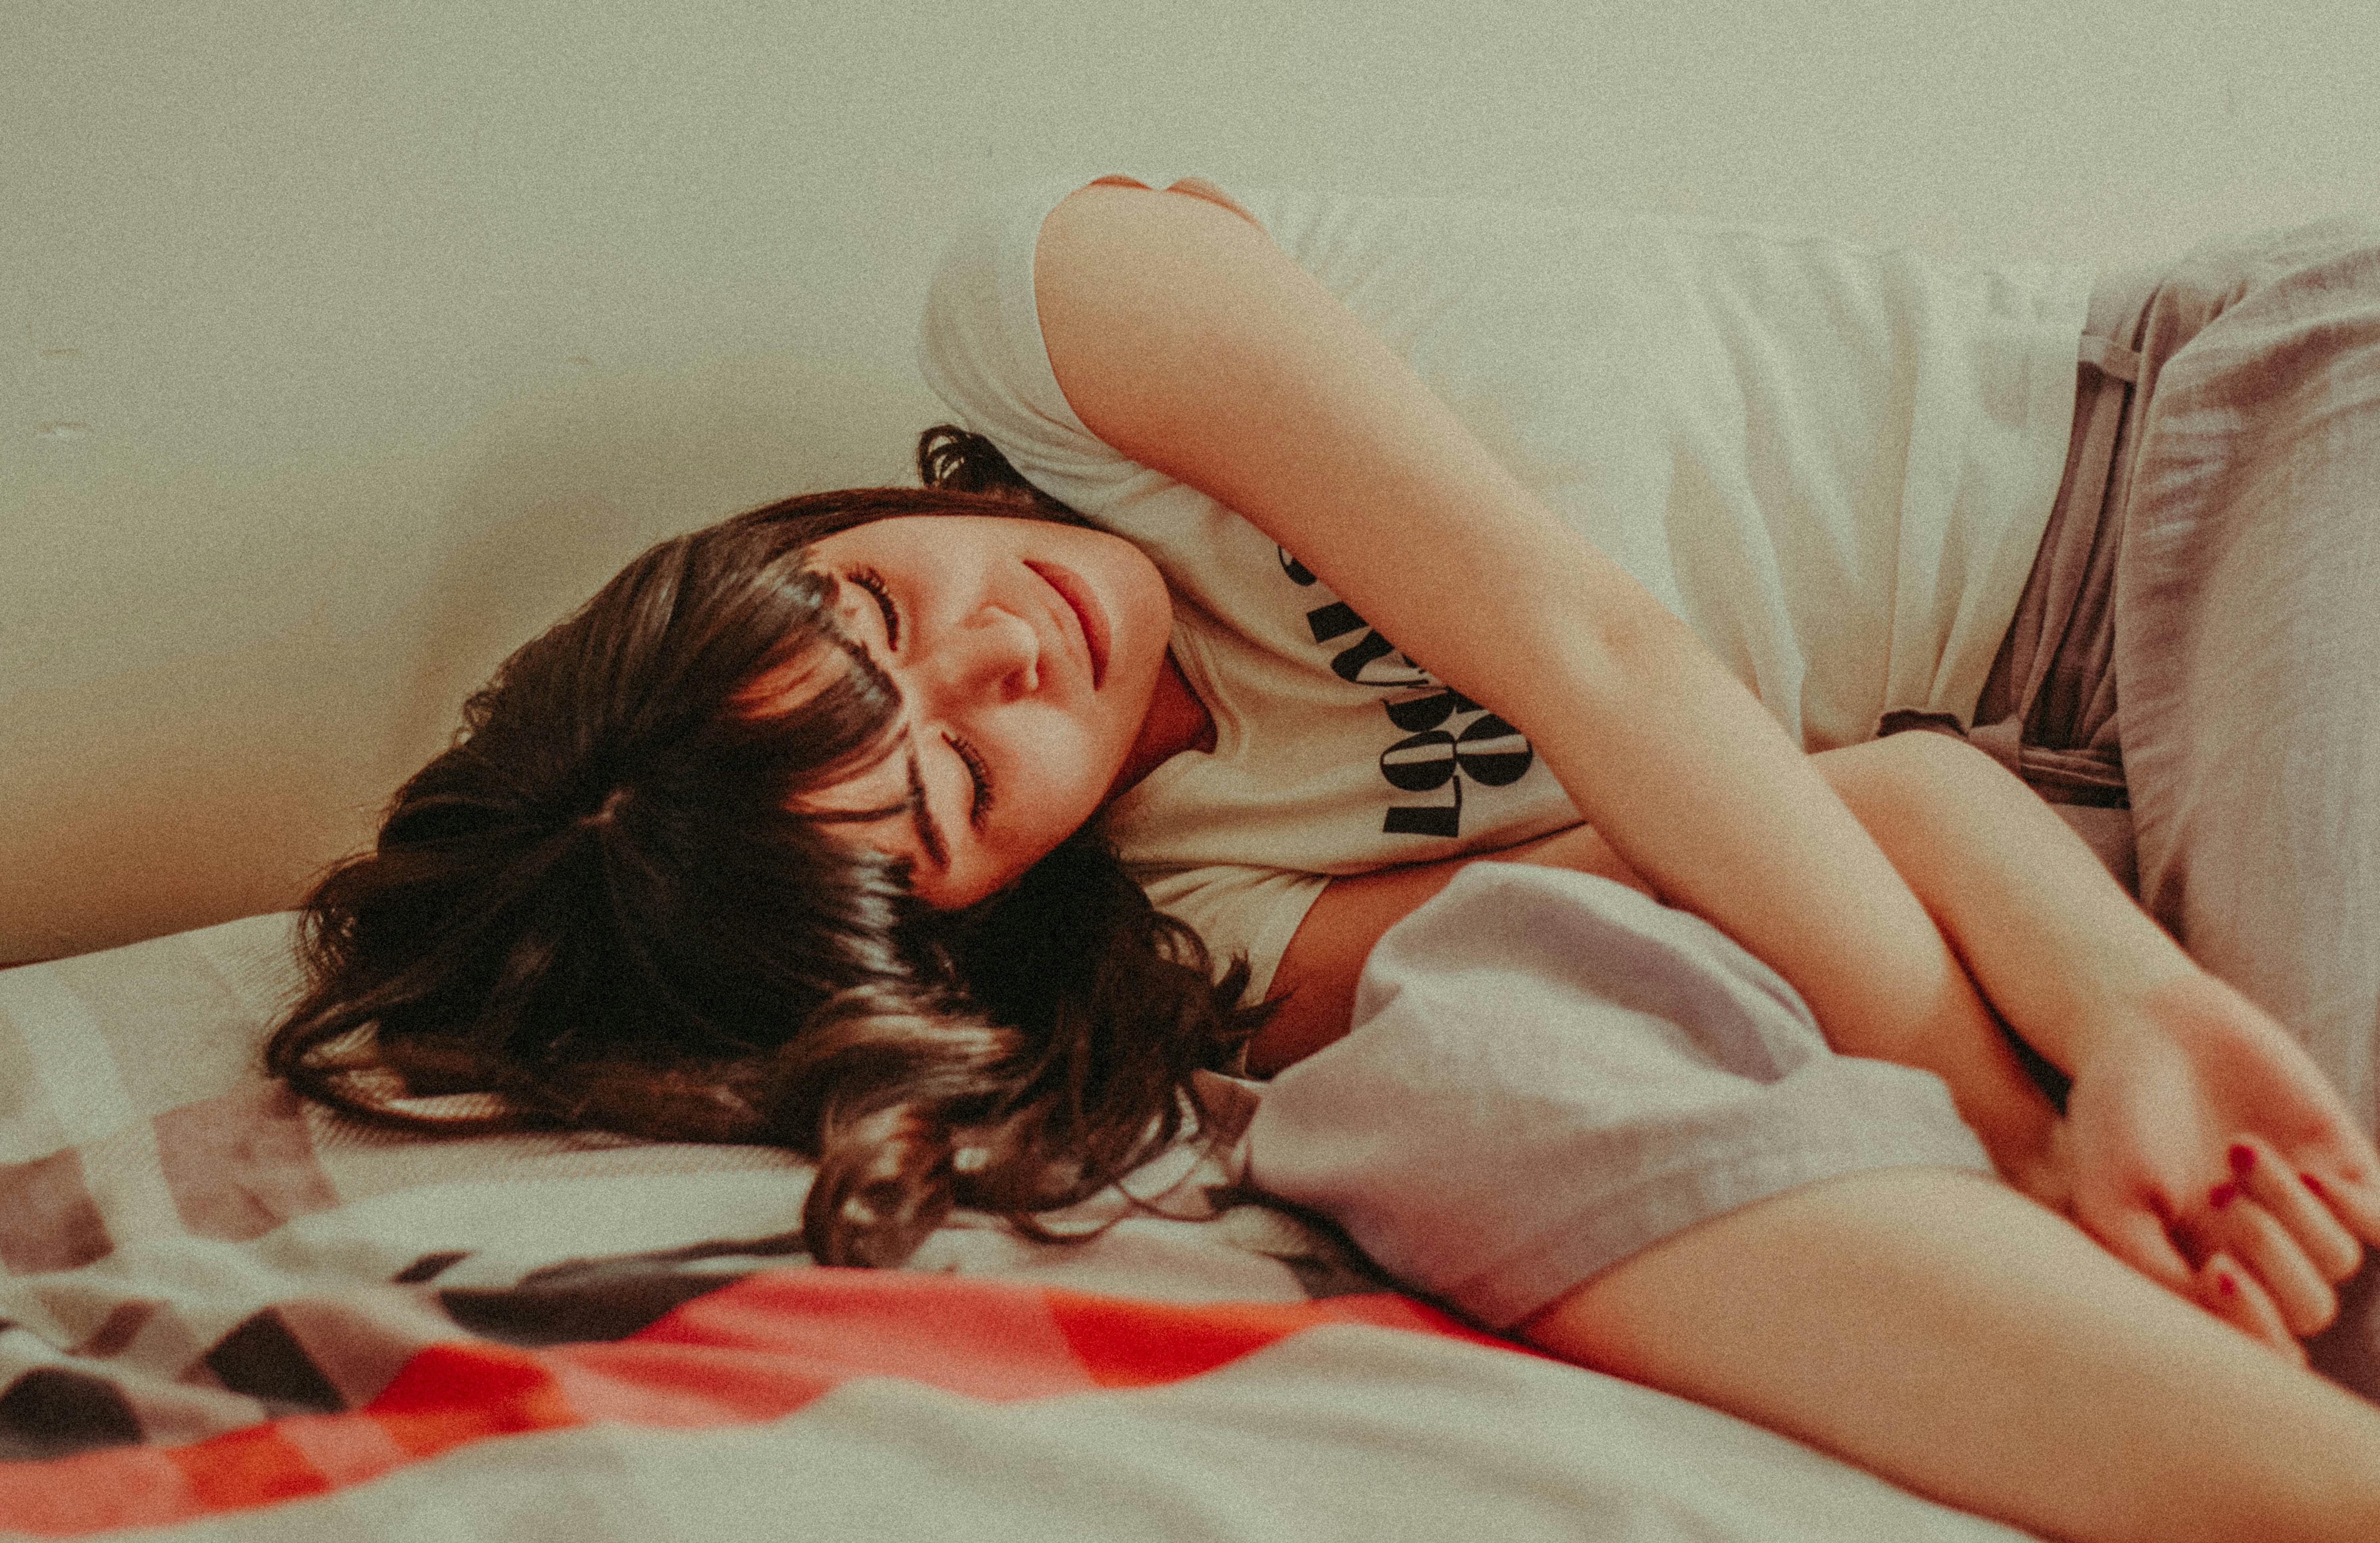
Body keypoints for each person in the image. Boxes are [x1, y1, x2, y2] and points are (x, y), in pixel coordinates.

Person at [271, 174, 2380, 1541]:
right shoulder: (1220, 918)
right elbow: (1878, 810)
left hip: (2205, 452)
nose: (998, 656)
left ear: (786, 540)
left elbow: (1607, 656)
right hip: (2060, 783)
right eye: (950, 790)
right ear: (968, 910)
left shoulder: (1063, 322)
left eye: (871, 613)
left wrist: (2022, 1134)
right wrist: (2122, 1044)